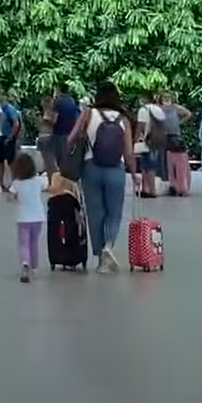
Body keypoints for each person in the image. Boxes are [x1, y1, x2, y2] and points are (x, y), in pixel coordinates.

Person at [67, 81, 134, 272]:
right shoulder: (123, 119)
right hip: (116, 169)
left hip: (91, 168)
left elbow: (71, 138)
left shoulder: (88, 113)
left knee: (95, 213)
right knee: (114, 212)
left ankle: (100, 260)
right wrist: (134, 173)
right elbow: (128, 152)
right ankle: (108, 247)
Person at [7, 151, 45, 282]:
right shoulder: (38, 181)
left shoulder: (16, 183)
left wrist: (16, 198)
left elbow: (10, 198)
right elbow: (47, 187)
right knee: (34, 243)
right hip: (38, 218)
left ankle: (25, 263)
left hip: (23, 218)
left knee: (24, 244)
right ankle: (34, 266)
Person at [45, 84, 80, 175]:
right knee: (67, 160)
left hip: (59, 134)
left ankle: (61, 179)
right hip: (70, 134)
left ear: (58, 90)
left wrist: (46, 120)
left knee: (58, 160)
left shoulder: (58, 102)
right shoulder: (72, 101)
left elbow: (54, 120)